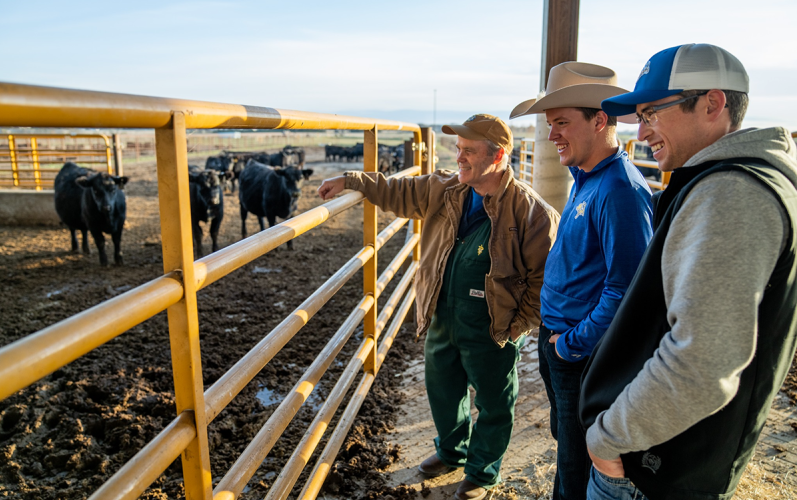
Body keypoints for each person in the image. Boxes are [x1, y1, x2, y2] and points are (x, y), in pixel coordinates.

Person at [580, 43, 797, 500]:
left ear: (712, 103)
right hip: (663, 457)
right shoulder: (745, 180)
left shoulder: (730, 193)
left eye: (652, 114)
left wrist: (608, 438)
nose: (640, 132)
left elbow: (702, 362)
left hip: (653, 467)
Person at [317, 114, 559, 500]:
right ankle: (451, 451)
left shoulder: (531, 213)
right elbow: (395, 190)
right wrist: (351, 180)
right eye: (458, 149)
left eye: (469, 151)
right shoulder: (445, 189)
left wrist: (518, 326)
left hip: (493, 325)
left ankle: (482, 473)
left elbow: (544, 278)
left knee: (495, 400)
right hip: (443, 315)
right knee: (442, 388)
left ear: (498, 156)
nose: (459, 157)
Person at [510, 62, 654, 499]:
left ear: (600, 119)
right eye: (550, 124)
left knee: (576, 463)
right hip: (561, 339)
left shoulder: (620, 191)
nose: (552, 134)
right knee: (567, 446)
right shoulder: (588, 178)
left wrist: (570, 344)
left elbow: (625, 291)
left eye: (561, 123)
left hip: (581, 351)